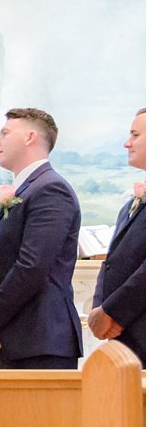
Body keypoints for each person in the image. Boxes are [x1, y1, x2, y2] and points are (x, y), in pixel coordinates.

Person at [0, 108, 82, 369]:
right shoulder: (25, 189)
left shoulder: (51, 189)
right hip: (12, 336)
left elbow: (32, 266)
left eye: (5, 133)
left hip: (41, 339)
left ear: (30, 137)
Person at [87, 109, 145, 365]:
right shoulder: (130, 205)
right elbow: (111, 262)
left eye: (135, 134)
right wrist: (99, 309)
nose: (127, 142)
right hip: (126, 338)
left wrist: (112, 312)